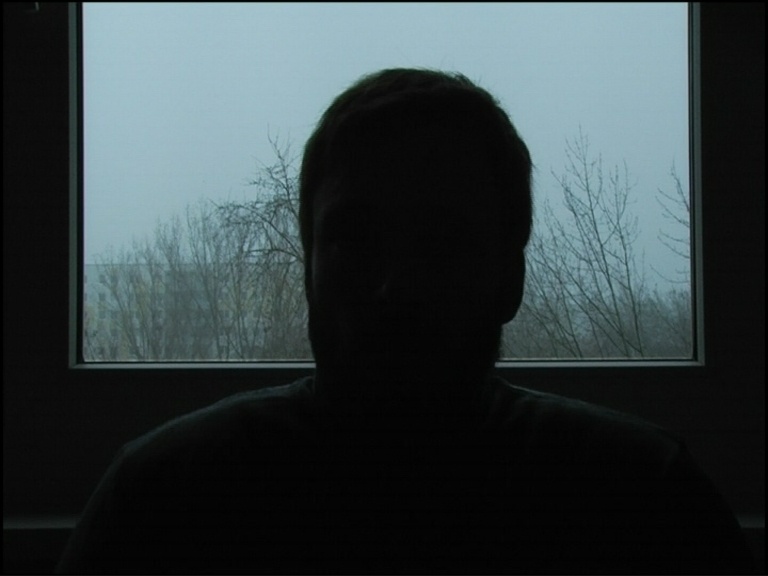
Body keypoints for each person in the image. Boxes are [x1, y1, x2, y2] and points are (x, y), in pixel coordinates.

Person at [57, 68, 755, 574]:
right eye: (355, 240)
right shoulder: (161, 503)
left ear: (510, 278)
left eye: (443, 243)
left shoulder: (645, 504)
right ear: (307, 268)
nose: (394, 287)